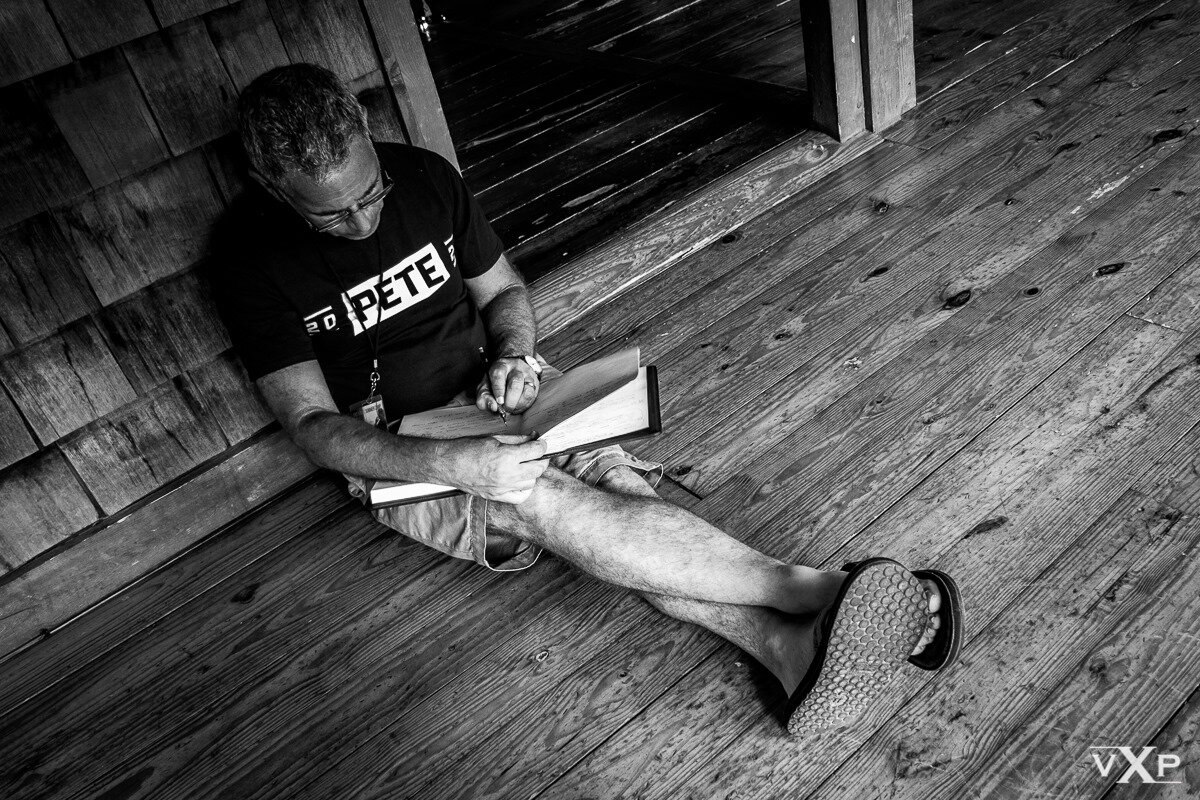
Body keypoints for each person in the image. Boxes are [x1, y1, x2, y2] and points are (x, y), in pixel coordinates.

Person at [211, 63, 961, 736]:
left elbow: (501, 291)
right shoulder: (248, 258)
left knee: (619, 493)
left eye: (371, 192)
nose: (362, 221)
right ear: (272, 186)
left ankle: (788, 651)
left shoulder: (424, 176)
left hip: (496, 386)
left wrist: (513, 353)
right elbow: (311, 425)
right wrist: (453, 463)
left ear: (368, 137)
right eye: (331, 215)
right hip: (399, 438)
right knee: (543, 503)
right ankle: (823, 591)